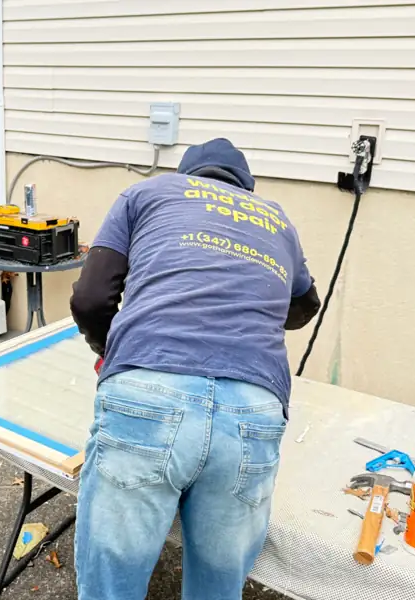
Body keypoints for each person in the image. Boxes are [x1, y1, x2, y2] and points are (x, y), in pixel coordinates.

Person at [69, 138, 320, 600]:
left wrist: (112, 352)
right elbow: (304, 306)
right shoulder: (275, 219)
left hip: (149, 392)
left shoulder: (146, 194)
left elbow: (90, 298)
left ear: (187, 173)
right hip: (253, 408)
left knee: (111, 585)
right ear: (246, 187)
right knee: (217, 587)